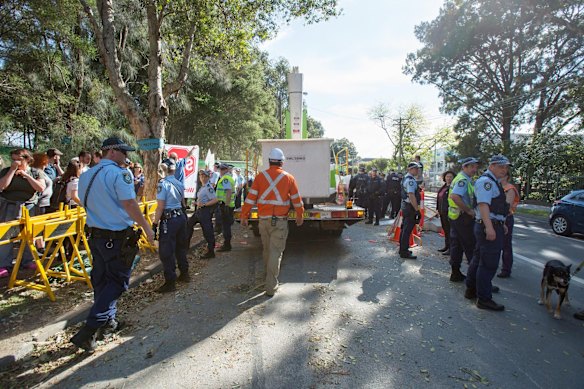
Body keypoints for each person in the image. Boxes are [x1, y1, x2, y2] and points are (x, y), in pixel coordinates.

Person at [70, 137, 155, 351]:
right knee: (117, 282)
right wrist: (146, 227)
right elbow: (129, 203)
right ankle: (89, 329)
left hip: (96, 236)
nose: (126, 157)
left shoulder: (86, 175)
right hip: (116, 237)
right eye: (123, 152)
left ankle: (109, 323)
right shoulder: (120, 174)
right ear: (112, 152)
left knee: (101, 280)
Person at [240, 148, 303, 297]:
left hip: (263, 221)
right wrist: (300, 215)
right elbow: (296, 200)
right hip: (279, 222)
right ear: (282, 162)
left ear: (269, 161)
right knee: (275, 252)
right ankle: (271, 286)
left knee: (267, 250)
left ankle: (268, 277)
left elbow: (250, 198)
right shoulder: (289, 178)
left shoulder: (260, 177)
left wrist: (244, 215)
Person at [464, 154, 512, 311]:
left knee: (478, 259)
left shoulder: (492, 182)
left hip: (488, 224)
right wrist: (490, 227)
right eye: (501, 166)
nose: (504, 170)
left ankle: (472, 289)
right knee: (488, 264)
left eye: (506, 167)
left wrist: (500, 223)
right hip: (487, 226)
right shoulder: (486, 182)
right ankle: (484, 298)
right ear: (492, 166)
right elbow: (483, 205)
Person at [0, 149, 46, 277]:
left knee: (29, 234)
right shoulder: (6, 171)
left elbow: (41, 188)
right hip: (10, 205)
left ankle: (27, 260)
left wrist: (26, 175)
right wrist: (11, 171)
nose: (16, 162)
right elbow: (2, 186)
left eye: (19, 159)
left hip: (29, 206)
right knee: (6, 235)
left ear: (27, 159)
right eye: (13, 159)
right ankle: (4, 264)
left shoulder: (36, 172)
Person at [153, 159, 189, 293]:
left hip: (169, 220)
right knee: (180, 247)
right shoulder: (179, 183)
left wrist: (155, 223)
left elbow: (160, 206)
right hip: (180, 217)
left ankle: (170, 282)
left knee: (166, 251)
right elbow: (183, 203)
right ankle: (184, 273)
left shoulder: (163, 184)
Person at [448, 157, 480, 282]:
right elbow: (455, 196)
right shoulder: (463, 180)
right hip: (463, 218)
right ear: (464, 167)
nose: (475, 169)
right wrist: (468, 210)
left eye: (475, 167)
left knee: (457, 246)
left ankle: (455, 273)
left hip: (456, 217)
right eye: (472, 167)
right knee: (470, 247)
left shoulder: (461, 179)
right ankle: (475, 279)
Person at [187, 169, 218, 258]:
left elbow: (215, 199)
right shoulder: (202, 187)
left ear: (208, 177)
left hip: (205, 211)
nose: (203, 178)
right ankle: (185, 248)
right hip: (199, 210)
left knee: (207, 231)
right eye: (201, 176)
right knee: (188, 225)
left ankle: (211, 252)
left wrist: (204, 204)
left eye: (205, 176)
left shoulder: (208, 188)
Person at [498, 174, 519, 278]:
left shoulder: (510, 189)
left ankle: (506, 269)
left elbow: (508, 206)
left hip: (506, 218)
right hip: (498, 218)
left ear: (506, 177)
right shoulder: (498, 187)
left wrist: (504, 221)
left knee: (506, 245)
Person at [399, 162, 421, 259]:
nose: (417, 170)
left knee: (405, 229)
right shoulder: (410, 180)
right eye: (416, 169)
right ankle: (404, 251)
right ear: (410, 169)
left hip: (406, 206)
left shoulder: (406, 178)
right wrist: (417, 210)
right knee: (407, 230)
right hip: (410, 207)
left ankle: (402, 249)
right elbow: (411, 195)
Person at [216, 163, 235, 251]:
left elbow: (228, 192)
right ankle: (227, 244)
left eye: (222, 169)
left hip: (225, 205)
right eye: (220, 169)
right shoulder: (228, 177)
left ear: (226, 170)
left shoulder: (226, 179)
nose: (221, 171)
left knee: (226, 226)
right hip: (227, 204)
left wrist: (226, 205)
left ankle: (227, 245)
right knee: (226, 225)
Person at [436, 170, 455, 255]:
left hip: (449, 212)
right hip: (441, 211)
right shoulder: (444, 187)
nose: (449, 178)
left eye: (450, 177)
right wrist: (437, 209)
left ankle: (451, 249)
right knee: (445, 230)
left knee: (450, 230)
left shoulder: (453, 187)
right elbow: (439, 199)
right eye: (447, 177)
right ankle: (446, 246)